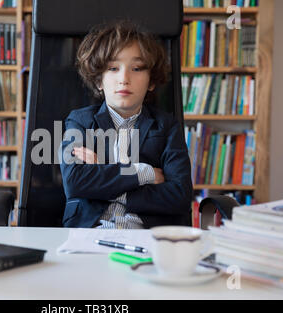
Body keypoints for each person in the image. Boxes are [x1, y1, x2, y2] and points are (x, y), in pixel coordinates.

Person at [59, 20, 192, 229]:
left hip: (146, 236)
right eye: (113, 68)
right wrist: (144, 173)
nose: (124, 78)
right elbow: (75, 182)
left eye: (137, 68)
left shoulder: (167, 127)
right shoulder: (80, 122)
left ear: (152, 81)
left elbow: (180, 195)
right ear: (98, 81)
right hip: (89, 233)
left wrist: (103, 177)